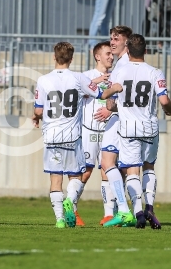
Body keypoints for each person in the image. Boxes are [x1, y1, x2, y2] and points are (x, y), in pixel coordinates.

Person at [32, 41, 121, 229]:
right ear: (71, 59)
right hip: (73, 136)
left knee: (55, 178)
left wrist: (36, 117)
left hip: (52, 137)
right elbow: (101, 95)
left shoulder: (43, 80)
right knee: (75, 176)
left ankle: (59, 220)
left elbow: (38, 110)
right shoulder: (78, 78)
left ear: (54, 57)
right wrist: (115, 88)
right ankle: (70, 200)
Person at [105, 34, 171, 228]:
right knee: (149, 167)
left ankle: (138, 212)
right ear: (145, 50)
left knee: (131, 170)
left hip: (128, 128)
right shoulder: (155, 72)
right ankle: (149, 207)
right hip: (149, 127)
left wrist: (120, 107)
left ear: (127, 50)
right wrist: (169, 111)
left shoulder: (119, 72)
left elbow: (110, 103)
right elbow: (164, 101)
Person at [73, 41, 115, 226]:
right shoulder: (86, 76)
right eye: (107, 53)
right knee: (87, 172)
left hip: (109, 131)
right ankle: (72, 208)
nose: (111, 56)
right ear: (97, 56)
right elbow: (73, 97)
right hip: (89, 131)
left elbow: (121, 99)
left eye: (112, 54)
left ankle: (109, 215)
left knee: (108, 170)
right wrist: (93, 84)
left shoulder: (117, 76)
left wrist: (110, 110)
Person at [100, 25, 136, 227]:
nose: (112, 42)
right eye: (111, 38)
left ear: (126, 42)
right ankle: (136, 211)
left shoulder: (121, 67)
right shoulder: (130, 64)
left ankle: (123, 211)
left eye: (116, 39)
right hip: (133, 121)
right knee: (129, 168)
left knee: (107, 162)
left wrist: (109, 104)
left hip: (119, 119)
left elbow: (112, 101)